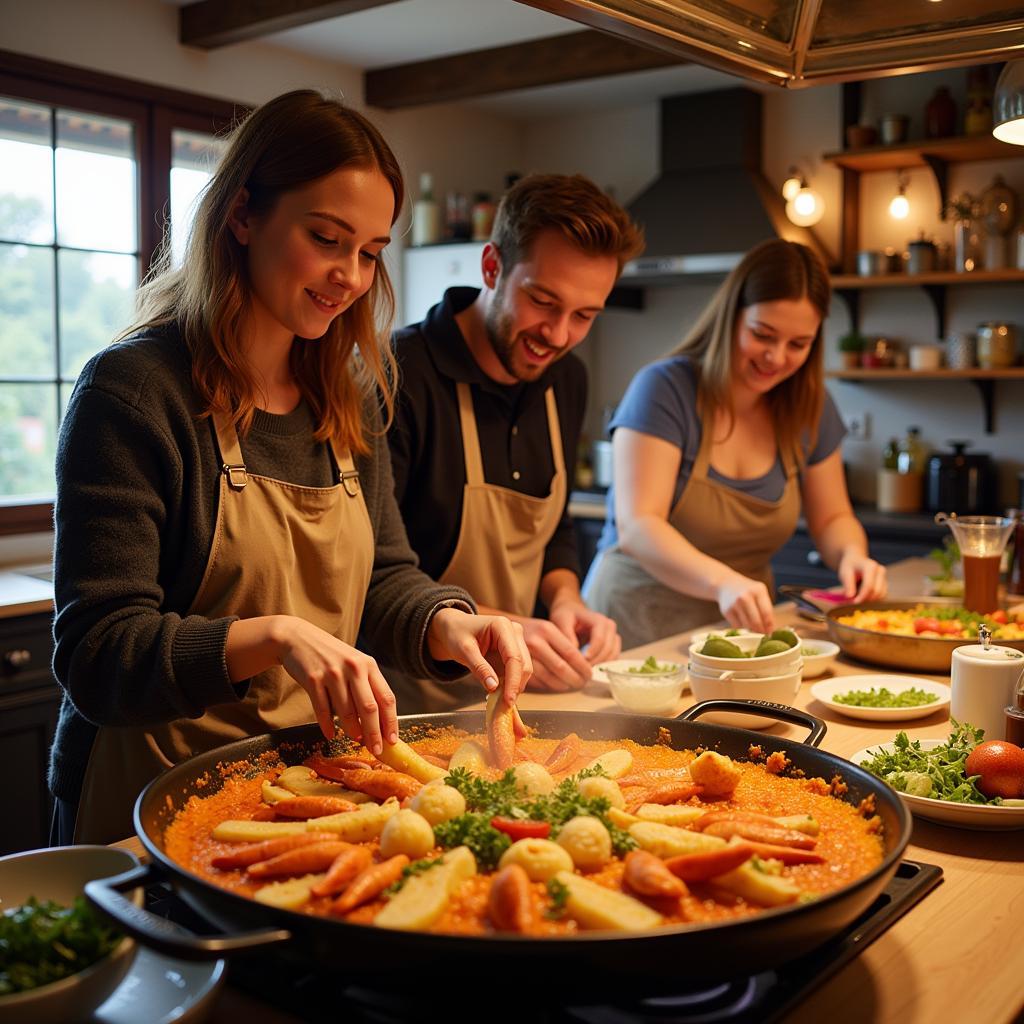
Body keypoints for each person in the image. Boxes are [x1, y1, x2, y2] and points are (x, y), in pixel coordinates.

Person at [48, 90, 531, 846]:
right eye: (327, 238)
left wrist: (448, 623)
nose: (351, 276)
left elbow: (384, 581)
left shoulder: (347, 398)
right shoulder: (137, 392)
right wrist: (272, 636)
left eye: (370, 252)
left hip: (305, 797)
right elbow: (99, 655)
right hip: (149, 808)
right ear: (242, 215)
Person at [387, 174, 644, 706]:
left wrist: (565, 600)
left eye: (584, 316)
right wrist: (501, 625)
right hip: (405, 699)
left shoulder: (566, 378)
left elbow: (555, 528)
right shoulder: (397, 376)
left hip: (517, 692)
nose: (558, 335)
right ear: (491, 267)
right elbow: (376, 572)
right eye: (543, 301)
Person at [584, 238, 887, 649]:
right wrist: (724, 582)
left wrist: (852, 555)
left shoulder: (809, 407)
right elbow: (639, 526)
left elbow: (833, 517)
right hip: (633, 632)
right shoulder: (665, 389)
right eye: (763, 335)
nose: (777, 357)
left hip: (740, 638)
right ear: (731, 318)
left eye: (798, 344)